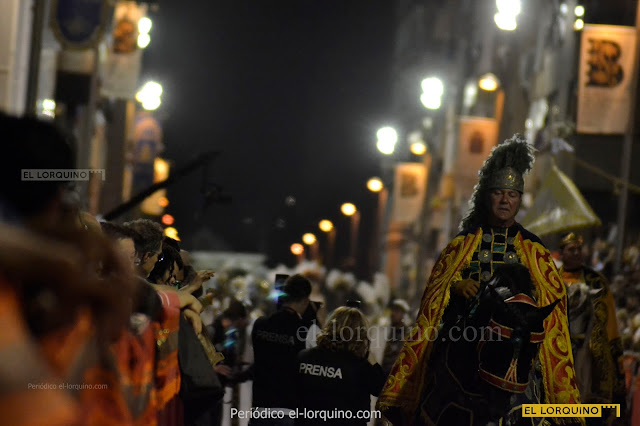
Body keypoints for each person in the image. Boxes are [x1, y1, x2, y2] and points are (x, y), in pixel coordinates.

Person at [376, 135, 581, 425]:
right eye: (498, 193)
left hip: (517, 340)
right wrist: (456, 285)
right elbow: (435, 295)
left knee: (535, 390)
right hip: (465, 330)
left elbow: (551, 305)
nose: (505, 200)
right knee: (433, 357)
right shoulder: (462, 244)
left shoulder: (535, 249)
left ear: (519, 200)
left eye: (512, 195)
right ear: (488, 196)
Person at [559, 232, 625, 424]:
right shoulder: (551, 278)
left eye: (579, 249)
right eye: (572, 249)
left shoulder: (597, 281)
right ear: (561, 253)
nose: (577, 253)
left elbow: (609, 323)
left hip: (587, 351)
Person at [296, 306, 387, 426]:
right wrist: (372, 361)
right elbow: (384, 391)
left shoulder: (304, 357)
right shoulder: (360, 366)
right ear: (359, 333)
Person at [250, 274, 311, 425]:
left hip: (260, 407)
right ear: (305, 301)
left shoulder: (260, 324)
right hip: (287, 409)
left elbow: (257, 361)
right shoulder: (304, 331)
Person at [380, 299, 410, 376]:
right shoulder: (385, 329)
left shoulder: (407, 333)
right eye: (393, 310)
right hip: (381, 370)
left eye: (397, 311)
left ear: (403, 315)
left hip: (395, 373)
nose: (393, 314)